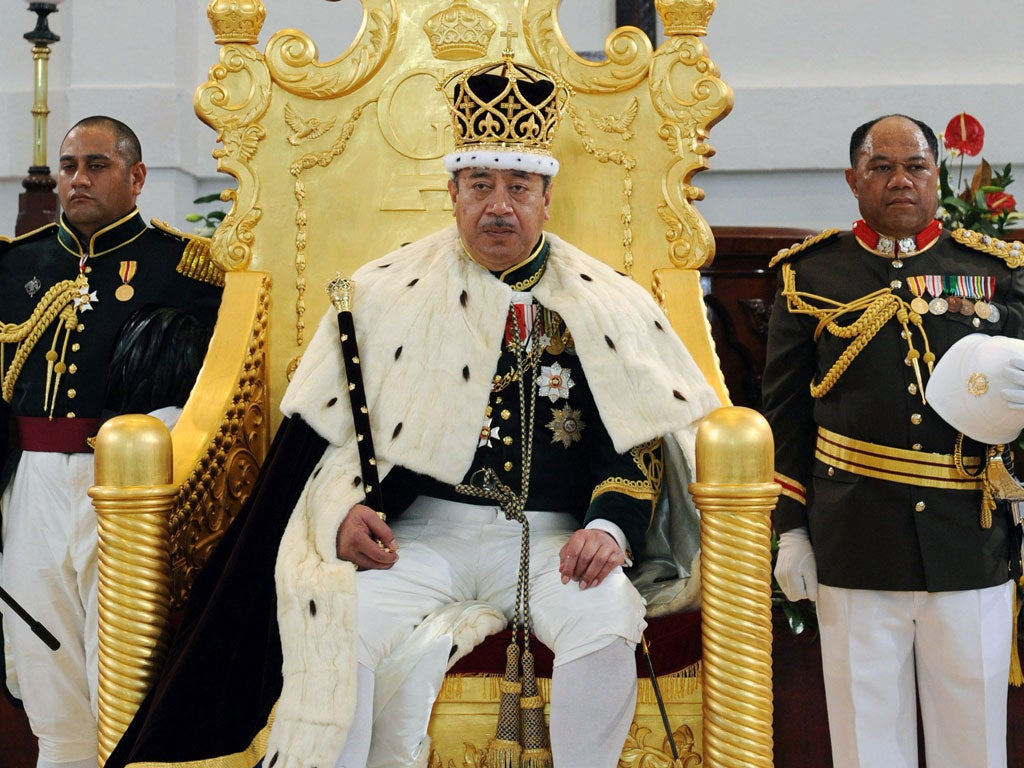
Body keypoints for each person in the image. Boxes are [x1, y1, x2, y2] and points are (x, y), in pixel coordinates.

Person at [102, 53, 720, 768]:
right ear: (452, 192)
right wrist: (341, 515)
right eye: (480, 184)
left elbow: (635, 441)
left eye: (518, 186)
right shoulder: (383, 293)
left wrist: (610, 527)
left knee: (608, 616)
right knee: (341, 624)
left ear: (546, 197)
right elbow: (319, 448)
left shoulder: (605, 302)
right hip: (418, 538)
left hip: (555, 542)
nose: (499, 205)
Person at [763, 113, 1024, 768]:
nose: (900, 180)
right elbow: (784, 416)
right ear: (854, 179)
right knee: (866, 741)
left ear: (937, 177)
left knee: (975, 739)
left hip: (970, 536)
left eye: (915, 167)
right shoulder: (810, 277)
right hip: (855, 541)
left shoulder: (991, 272)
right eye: (881, 167)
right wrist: (790, 528)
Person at [0, 115, 223, 768]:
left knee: (124, 661)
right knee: (42, 647)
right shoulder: (18, 266)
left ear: (137, 176)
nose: (77, 179)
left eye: (96, 165)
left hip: (131, 488)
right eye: (69, 165)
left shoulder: (188, 270)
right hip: (34, 482)